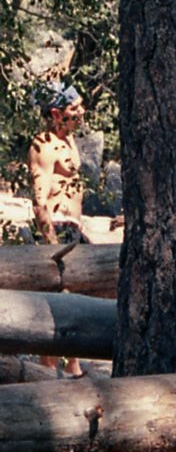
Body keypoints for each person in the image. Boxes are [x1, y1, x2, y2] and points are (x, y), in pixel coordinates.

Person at [28, 83, 88, 377]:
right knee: (58, 306)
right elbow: (40, 202)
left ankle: (75, 367)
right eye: (74, 108)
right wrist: (51, 244)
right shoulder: (44, 145)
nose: (81, 112)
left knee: (75, 303)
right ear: (56, 113)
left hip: (74, 230)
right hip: (58, 232)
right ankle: (50, 373)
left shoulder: (70, 140)